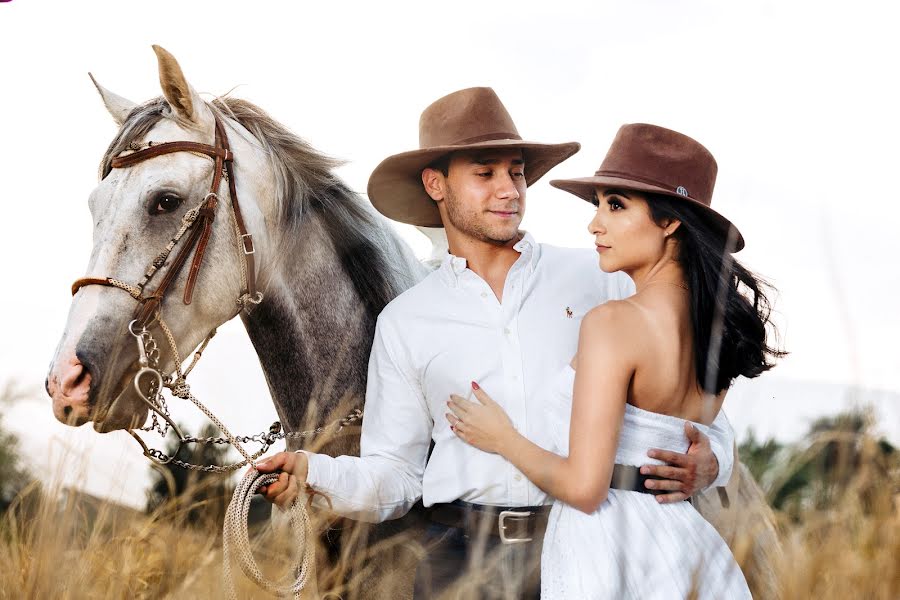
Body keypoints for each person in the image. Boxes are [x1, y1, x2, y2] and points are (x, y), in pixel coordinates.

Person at [255, 90, 737, 598]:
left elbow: (689, 409)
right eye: (485, 174)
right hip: (457, 563)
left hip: (581, 546)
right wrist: (315, 474)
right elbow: (396, 473)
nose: (509, 190)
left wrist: (714, 462)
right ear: (436, 184)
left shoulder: (600, 279)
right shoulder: (406, 321)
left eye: (517, 173)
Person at [445, 123, 783, 598]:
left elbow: (586, 488)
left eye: (616, 205)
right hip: (690, 553)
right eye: (598, 204)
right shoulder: (722, 334)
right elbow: (703, 434)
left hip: (608, 553)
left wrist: (503, 439)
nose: (594, 223)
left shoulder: (614, 323)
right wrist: (715, 464)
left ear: (670, 221)